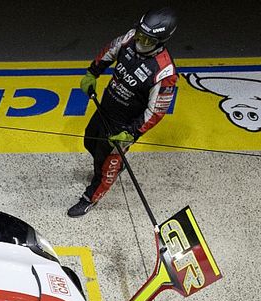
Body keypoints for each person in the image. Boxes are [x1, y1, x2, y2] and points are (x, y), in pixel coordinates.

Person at [68, 7, 179, 217]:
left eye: (147, 40)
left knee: (105, 167)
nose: (140, 42)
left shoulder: (165, 73)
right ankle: (112, 168)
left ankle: (90, 199)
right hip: (106, 107)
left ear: (161, 42)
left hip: (124, 126)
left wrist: (131, 133)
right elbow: (109, 50)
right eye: (140, 35)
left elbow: (155, 111)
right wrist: (93, 72)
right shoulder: (130, 38)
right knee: (89, 142)